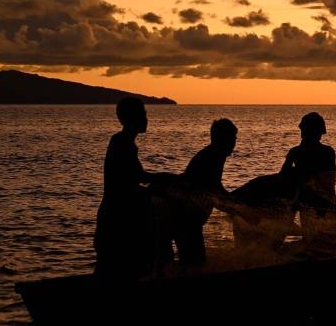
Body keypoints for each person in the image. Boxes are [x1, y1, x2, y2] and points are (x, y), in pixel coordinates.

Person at [94, 97, 162, 278]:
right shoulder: (121, 143)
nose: (146, 119)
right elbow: (131, 181)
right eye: (142, 114)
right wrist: (164, 180)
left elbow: (134, 179)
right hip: (117, 219)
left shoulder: (124, 142)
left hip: (118, 215)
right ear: (129, 118)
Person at [166, 118, 238, 268]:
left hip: (187, 215)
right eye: (232, 138)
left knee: (191, 262)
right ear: (222, 139)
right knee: (194, 263)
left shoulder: (216, 154)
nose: (235, 142)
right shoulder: (212, 156)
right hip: (183, 215)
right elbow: (214, 190)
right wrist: (238, 208)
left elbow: (214, 190)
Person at [281, 112, 336, 254]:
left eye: (305, 131)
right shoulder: (296, 152)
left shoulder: (325, 152)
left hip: (322, 203)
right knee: (317, 242)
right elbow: (283, 177)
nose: (302, 134)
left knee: (325, 243)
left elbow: (328, 181)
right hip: (311, 203)